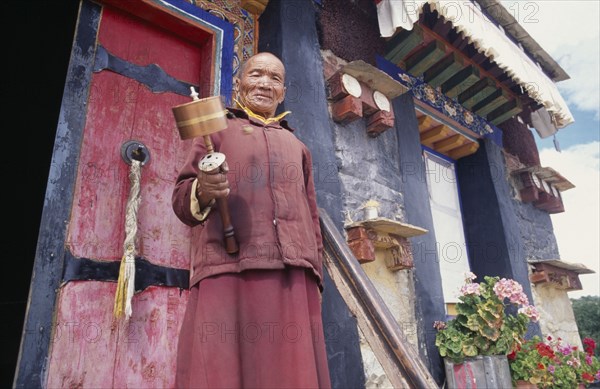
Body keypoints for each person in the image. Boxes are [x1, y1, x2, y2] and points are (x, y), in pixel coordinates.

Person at [172, 52, 331, 388]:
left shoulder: (297, 146)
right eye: (256, 74)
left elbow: (311, 214)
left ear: (283, 91)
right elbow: (181, 198)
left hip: (293, 274)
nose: (264, 83)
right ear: (239, 83)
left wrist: (315, 274)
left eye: (274, 78)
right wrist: (202, 189)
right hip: (228, 267)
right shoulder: (216, 130)